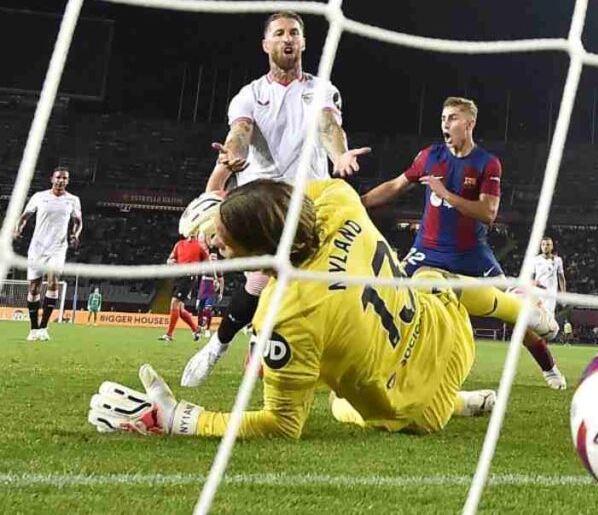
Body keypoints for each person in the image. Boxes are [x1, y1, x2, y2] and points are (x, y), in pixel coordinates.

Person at [86, 179, 546, 439]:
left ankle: (453, 397)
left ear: (260, 249)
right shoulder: (339, 202)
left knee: (342, 395)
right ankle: (522, 310)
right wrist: (226, 207)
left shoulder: (283, 317)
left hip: (419, 412)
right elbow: (288, 193)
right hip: (452, 338)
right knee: (428, 279)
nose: (219, 250)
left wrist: (178, 418)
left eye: (226, 243)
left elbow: (281, 426)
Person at [180, 11, 367, 385]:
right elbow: (240, 130)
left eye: (294, 33)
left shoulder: (320, 90)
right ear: (266, 45)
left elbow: (329, 125)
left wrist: (339, 156)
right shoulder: (250, 95)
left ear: (303, 43)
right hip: (262, 205)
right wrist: (234, 154)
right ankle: (225, 345)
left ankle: (237, 344)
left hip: (310, 200)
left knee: (303, 287)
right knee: (264, 280)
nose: (288, 39)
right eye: (279, 33)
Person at [361, 97, 565, 389]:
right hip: (426, 252)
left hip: (471, 255)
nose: (446, 123)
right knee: (391, 301)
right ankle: (380, 367)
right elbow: (395, 186)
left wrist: (445, 194)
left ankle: (548, 367)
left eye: (453, 117)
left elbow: (488, 213)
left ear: (470, 123)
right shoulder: (429, 157)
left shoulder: (486, 163)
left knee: (511, 315)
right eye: (443, 117)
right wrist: (360, 203)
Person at [14, 167, 82, 341]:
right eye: (58, 177)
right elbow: (24, 216)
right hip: (37, 248)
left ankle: (44, 327)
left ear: (68, 181)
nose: (61, 181)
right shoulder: (39, 197)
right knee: (34, 288)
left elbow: (78, 222)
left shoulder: (73, 200)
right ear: (52, 179)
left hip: (58, 248)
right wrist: (18, 229)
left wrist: (75, 234)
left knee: (52, 282)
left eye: (65, 178)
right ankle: (33, 328)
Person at [160, 235, 208, 342]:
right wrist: (170, 261)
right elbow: (171, 258)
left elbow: (207, 261)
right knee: (180, 310)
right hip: (178, 276)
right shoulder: (179, 244)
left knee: (174, 302)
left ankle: (169, 334)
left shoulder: (200, 246)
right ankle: (196, 330)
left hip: (189, 276)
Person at [524, 236, 566, 327]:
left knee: (549, 316)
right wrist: (532, 282)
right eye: (543, 244)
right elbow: (530, 277)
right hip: (537, 292)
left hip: (551, 293)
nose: (545, 246)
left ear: (552, 246)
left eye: (548, 244)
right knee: (536, 315)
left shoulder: (558, 260)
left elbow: (561, 278)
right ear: (540, 246)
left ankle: (546, 338)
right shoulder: (535, 260)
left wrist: (563, 293)